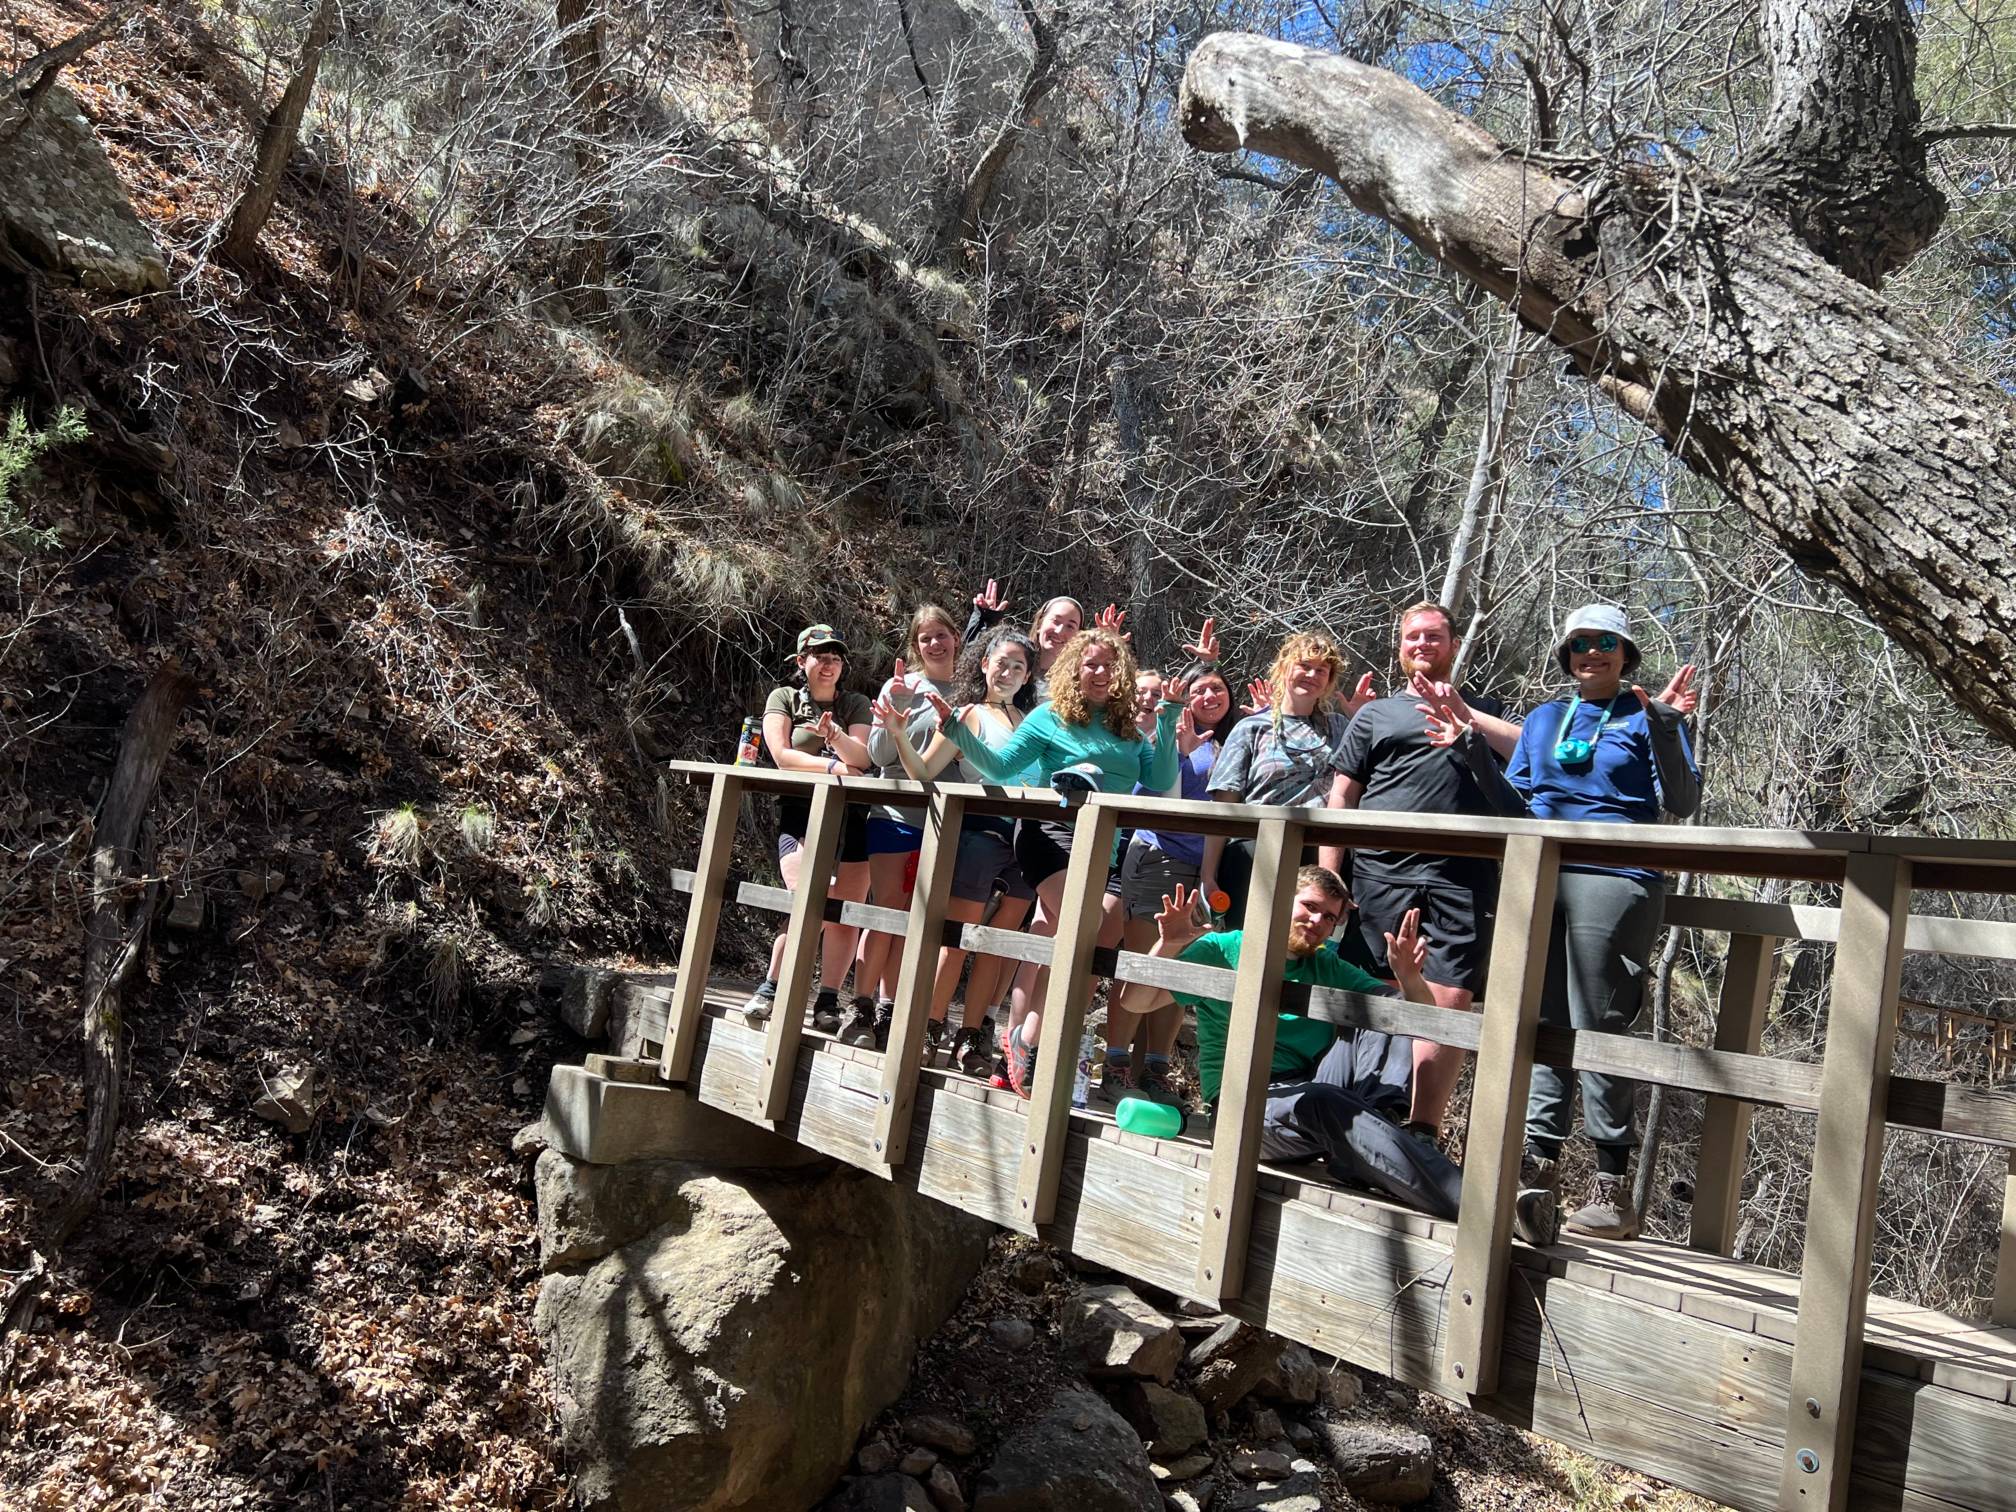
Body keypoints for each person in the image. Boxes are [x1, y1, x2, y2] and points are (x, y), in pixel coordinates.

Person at [1427, 603, 1699, 1240]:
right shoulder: (1546, 719)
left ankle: (1612, 1191)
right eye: (1580, 644)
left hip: (1615, 875)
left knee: (1599, 1018)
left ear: (1625, 652)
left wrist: (1663, 725)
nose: (1592, 652)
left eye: (1606, 642)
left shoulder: (1647, 716)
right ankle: (1537, 1173)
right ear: (1567, 656)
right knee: (1542, 1016)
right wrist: (1471, 750)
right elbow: (1515, 804)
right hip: (1537, 869)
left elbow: (1682, 802)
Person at [1117, 869, 1555, 1242]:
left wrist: (1409, 979)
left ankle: (1373, 1135)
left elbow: (1417, 1019)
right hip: (1248, 1108)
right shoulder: (1222, 949)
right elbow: (1135, 1002)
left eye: (1329, 916)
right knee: (1321, 1100)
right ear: (1280, 897)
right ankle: (1493, 1210)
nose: (1317, 921)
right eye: (1308, 906)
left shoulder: (1324, 964)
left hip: (1318, 1090)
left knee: (1385, 1011)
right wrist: (1170, 945)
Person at [927, 627, 1183, 1094]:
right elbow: (1002, 768)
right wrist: (956, 729)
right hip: (1048, 833)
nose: (1101, 672)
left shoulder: (1129, 729)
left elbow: (1163, 776)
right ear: (1073, 669)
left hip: (1100, 846)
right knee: (1079, 931)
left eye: (1109, 664)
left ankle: (1020, 1041)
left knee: (1067, 944)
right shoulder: (1050, 716)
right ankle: (1030, 1044)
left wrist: (1168, 721)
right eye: (1091, 663)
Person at [1321, 602, 1518, 1136]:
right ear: (1400, 648)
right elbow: (1342, 795)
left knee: (1450, 999)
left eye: (1434, 636)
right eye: (1412, 637)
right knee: (1381, 987)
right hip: (1381, 873)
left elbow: (1529, 755)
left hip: (1463, 877)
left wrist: (1463, 715)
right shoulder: (1376, 714)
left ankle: (1423, 1127)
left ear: (1453, 646)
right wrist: (1331, 874)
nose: (1423, 645)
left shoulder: (1482, 711)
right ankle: (1358, 1115)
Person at [873, 627, 1042, 1073]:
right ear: (984, 664)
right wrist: (899, 732)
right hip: (980, 833)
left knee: (998, 945)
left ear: (1028, 678)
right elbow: (924, 770)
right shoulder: (967, 714)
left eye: (1018, 667)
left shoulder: (1031, 723)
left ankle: (970, 1039)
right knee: (959, 939)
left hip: (1026, 838)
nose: (1007, 672)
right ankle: (929, 1027)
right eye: (1001, 662)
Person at [1104, 659, 1240, 1099]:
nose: (1210, 697)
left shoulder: (1236, 740)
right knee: (1145, 963)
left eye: (1218, 689)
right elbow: (1141, 796)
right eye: (1200, 690)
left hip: (1210, 874)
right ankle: (1115, 1063)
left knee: (1179, 975)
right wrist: (1177, 751)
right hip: (1159, 858)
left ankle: (1155, 1069)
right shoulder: (1163, 731)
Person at [741, 625, 876, 1029]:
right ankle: (771, 988)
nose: (828, 664)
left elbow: (864, 758)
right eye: (820, 656)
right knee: (804, 901)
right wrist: (835, 764)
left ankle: (828, 1002)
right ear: (803, 662)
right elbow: (781, 755)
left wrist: (834, 736)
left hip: (853, 817)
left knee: (843, 913)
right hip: (801, 813)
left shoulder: (855, 703)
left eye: (835, 657)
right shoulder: (783, 698)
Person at [848, 604, 964, 1047]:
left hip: (944, 819)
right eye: (925, 638)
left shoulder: (971, 690)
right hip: (895, 813)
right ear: (915, 646)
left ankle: (888, 1009)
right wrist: (894, 705)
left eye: (942, 635)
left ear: (956, 637)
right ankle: (858, 1006)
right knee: (888, 910)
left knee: (918, 919)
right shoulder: (903, 687)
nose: (935, 644)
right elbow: (878, 756)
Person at [1198, 631, 1373, 920]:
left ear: (1329, 682)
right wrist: (1208, 874)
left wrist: (1361, 721)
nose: (1311, 674)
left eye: (1321, 670)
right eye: (1304, 665)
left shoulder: (1341, 728)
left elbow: (1355, 789)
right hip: (1256, 853)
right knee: (1248, 943)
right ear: (1284, 669)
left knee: (1305, 948)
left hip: (1318, 855)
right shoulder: (1252, 728)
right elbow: (1224, 802)